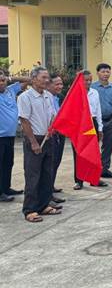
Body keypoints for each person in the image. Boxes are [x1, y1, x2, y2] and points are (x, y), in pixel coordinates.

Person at [18, 66, 58, 222]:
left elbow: (53, 115)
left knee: (47, 174)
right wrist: (33, 142)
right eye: (43, 77)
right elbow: (24, 121)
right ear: (34, 79)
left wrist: (52, 126)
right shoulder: (25, 97)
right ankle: (30, 209)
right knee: (33, 175)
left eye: (48, 77)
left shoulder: (48, 95)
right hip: (34, 139)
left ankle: (43, 205)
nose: (47, 80)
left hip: (48, 138)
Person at [74, 71, 108, 189]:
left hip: (92, 123)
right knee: (79, 153)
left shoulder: (94, 92)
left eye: (90, 80)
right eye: (86, 80)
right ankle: (79, 181)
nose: (88, 82)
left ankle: (94, 178)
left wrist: (100, 127)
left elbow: (98, 111)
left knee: (93, 153)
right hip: (80, 124)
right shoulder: (75, 93)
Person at [0, 70, 27, 202]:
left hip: (10, 136)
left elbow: (28, 80)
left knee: (8, 163)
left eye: (3, 80)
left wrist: (10, 78)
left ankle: (6, 188)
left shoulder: (11, 90)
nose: (1, 83)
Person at [92, 63, 112, 179]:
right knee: (93, 146)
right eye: (103, 71)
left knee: (108, 146)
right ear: (97, 73)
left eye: (108, 72)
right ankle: (94, 169)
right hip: (94, 121)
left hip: (109, 120)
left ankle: (104, 169)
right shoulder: (92, 87)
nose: (105, 74)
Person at [47, 74, 65, 197]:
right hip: (50, 134)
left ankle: (51, 187)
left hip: (60, 133)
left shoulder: (60, 97)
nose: (60, 86)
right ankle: (47, 192)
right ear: (49, 85)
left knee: (56, 161)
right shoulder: (46, 97)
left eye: (61, 84)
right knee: (50, 163)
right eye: (56, 84)